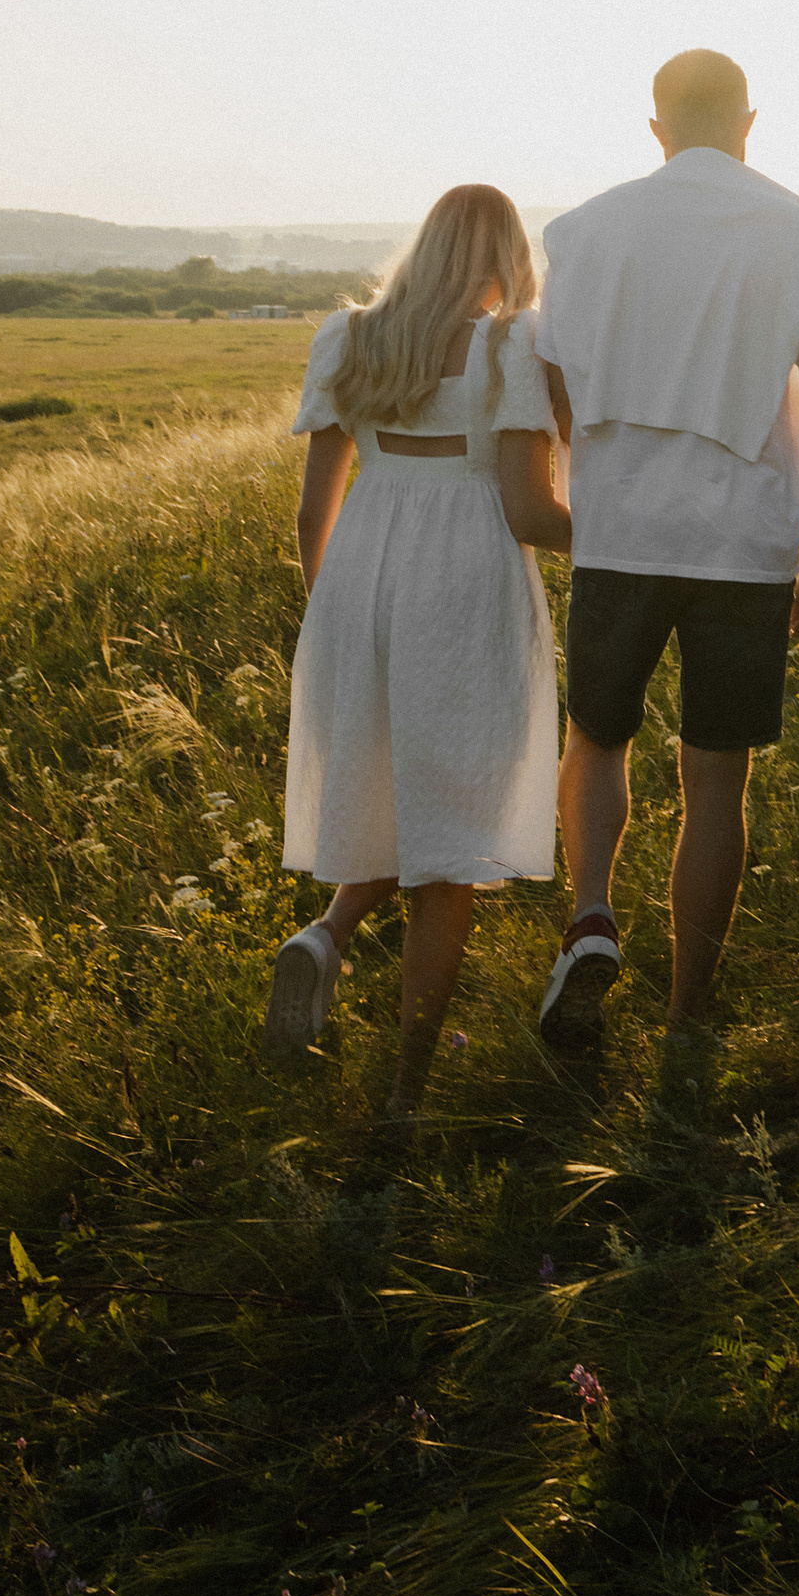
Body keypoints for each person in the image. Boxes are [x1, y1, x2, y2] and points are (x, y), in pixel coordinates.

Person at [529, 49, 799, 1051]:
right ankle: (688, 1011)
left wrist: (584, 470)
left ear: (654, 128)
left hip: (621, 531)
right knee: (716, 776)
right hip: (745, 544)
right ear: (749, 122)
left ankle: (591, 914)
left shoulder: (584, 230)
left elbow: (550, 377)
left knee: (597, 736)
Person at [262, 182, 570, 1112]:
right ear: (506, 257)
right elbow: (526, 506)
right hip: (467, 579)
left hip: (361, 575)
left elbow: (313, 509)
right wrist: (626, 538)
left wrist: (334, 619)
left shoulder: (349, 335)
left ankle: (327, 934)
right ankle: (406, 1089)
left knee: (392, 788)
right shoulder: (512, 344)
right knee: (453, 839)